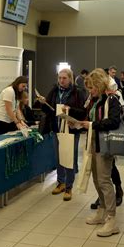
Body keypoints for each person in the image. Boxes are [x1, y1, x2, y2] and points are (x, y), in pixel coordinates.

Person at [79, 68, 121, 237]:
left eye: (91, 88)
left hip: (104, 145)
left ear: (99, 85)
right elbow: (88, 116)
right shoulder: (95, 101)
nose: (90, 91)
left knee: (104, 180)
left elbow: (114, 122)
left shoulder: (112, 99)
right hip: (93, 143)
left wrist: (92, 125)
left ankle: (111, 219)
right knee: (96, 179)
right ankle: (102, 210)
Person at [38, 69, 86, 201]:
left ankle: (69, 186)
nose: (61, 80)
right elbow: (48, 110)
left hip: (71, 130)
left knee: (69, 158)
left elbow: (83, 111)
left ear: (70, 78)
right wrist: (43, 103)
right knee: (59, 157)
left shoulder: (78, 92)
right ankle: (61, 182)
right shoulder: (54, 91)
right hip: (56, 129)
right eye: (59, 78)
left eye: (64, 78)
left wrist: (69, 110)